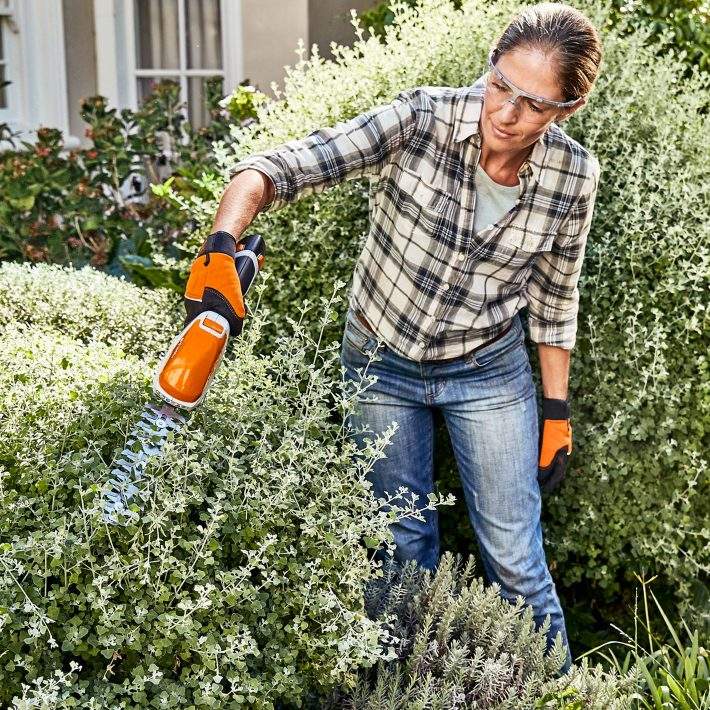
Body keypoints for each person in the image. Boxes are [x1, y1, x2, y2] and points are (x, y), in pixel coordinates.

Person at [184, 2, 602, 673]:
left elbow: (554, 298)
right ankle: (411, 687)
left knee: (516, 561)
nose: (505, 112)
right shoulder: (420, 120)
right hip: (381, 361)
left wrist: (556, 411)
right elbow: (276, 169)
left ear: (565, 111)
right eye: (500, 85)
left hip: (487, 369)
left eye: (532, 103)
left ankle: (559, 693)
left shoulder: (572, 176)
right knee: (401, 552)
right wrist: (220, 246)